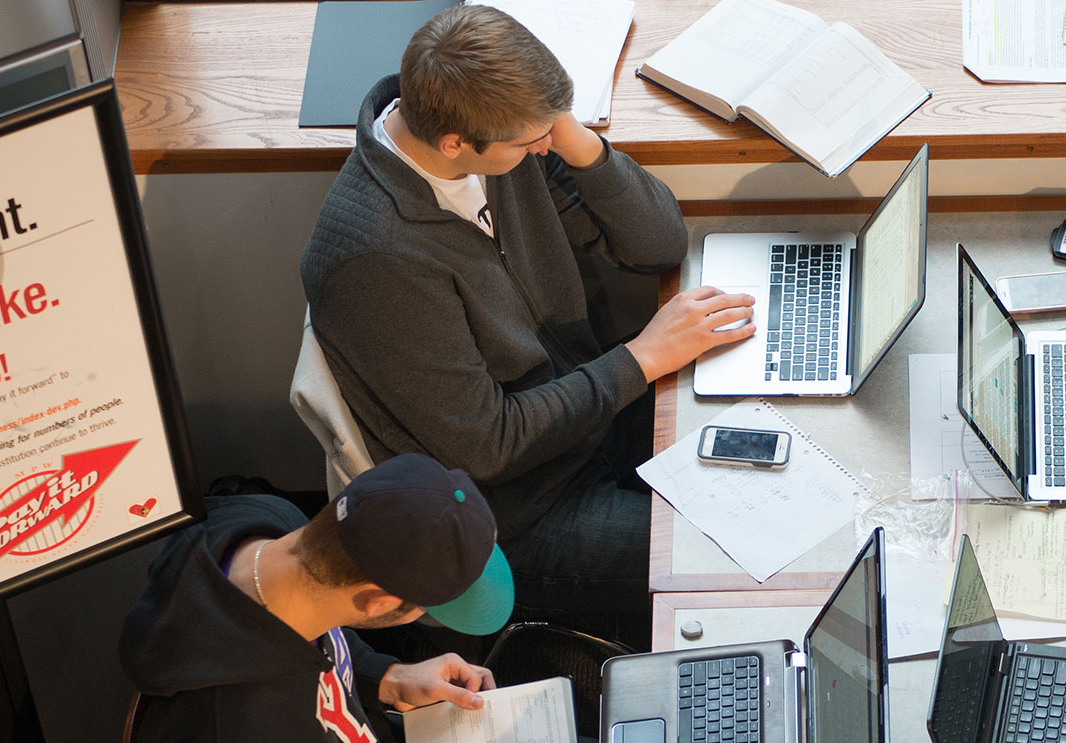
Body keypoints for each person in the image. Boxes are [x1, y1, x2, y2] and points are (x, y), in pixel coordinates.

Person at [300, 6, 753, 638]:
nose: (543, 146)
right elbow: (487, 446)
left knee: (768, 431)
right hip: (522, 509)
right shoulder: (374, 261)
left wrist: (566, 132)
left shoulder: (494, 148)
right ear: (457, 142)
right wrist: (643, 359)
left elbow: (657, 245)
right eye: (530, 139)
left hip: (587, 418)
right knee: (733, 546)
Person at [122, 453, 516, 743]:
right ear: (377, 602)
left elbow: (320, 655)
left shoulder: (272, 530)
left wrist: (386, 676)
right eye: (427, 606)